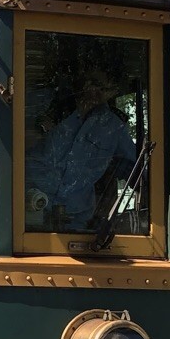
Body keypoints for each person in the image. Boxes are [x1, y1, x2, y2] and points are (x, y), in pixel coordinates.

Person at [26, 62, 140, 233]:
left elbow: (137, 171)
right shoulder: (46, 102)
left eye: (106, 90)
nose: (98, 93)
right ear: (83, 77)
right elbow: (12, 142)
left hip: (75, 221)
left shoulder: (113, 127)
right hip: (27, 207)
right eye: (95, 84)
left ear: (114, 92)